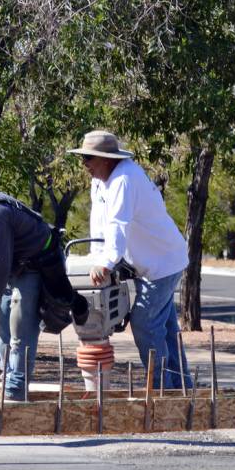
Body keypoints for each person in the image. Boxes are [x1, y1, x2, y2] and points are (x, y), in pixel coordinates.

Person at [67, 130, 192, 389]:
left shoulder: (124, 179)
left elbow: (117, 223)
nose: (85, 164)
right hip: (150, 264)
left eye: (88, 158)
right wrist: (97, 255)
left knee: (145, 323)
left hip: (162, 263)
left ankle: (162, 391)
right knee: (165, 330)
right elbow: (100, 221)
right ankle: (180, 388)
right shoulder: (102, 180)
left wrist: (108, 261)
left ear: (106, 158)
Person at [0, 187, 87, 401]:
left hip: (37, 261)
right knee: (1, 330)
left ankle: (16, 388)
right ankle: (7, 380)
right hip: (13, 265)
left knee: (20, 326)